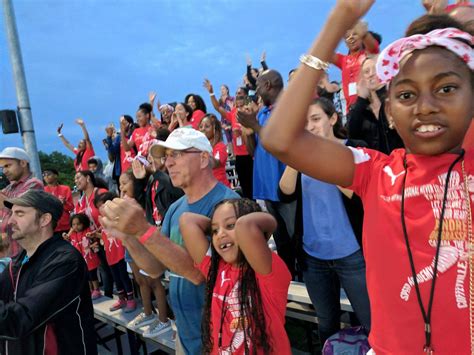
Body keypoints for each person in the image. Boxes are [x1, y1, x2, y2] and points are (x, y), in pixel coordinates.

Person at [260, 1, 473, 353]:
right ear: (390, 112)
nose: (425, 106)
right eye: (406, 94)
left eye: (446, 88)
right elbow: (280, 138)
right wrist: (339, 20)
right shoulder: (376, 171)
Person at [99, 128, 239, 354]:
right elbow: (154, 269)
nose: (168, 163)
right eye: (166, 156)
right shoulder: (175, 208)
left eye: (177, 154)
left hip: (223, 337)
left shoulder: (229, 205)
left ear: (204, 158)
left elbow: (200, 274)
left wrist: (143, 229)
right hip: (185, 334)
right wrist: (128, 236)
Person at [278, 97, 370, 345]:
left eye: (316, 119)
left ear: (333, 118)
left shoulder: (355, 149)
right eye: (304, 122)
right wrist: (298, 157)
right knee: (327, 321)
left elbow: (360, 194)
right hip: (314, 257)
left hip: (353, 254)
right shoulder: (301, 158)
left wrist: (324, 157)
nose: (310, 126)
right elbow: (284, 193)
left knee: (369, 319)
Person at [179, 198, 291, 354]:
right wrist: (221, 227)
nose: (220, 235)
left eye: (231, 225)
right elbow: (187, 221)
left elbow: (246, 225)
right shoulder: (217, 270)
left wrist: (270, 224)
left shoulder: (266, 271)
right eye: (215, 231)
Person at [0, 190, 96, 354]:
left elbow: (20, 320)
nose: (10, 221)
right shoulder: (17, 262)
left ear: (44, 219)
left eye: (20, 213)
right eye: (11, 214)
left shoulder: (65, 261)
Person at [237, 69, 297, 277]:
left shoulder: (289, 107)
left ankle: (308, 284)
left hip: (287, 189)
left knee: (296, 237)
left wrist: (254, 124)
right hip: (267, 189)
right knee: (281, 241)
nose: (257, 90)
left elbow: (280, 143)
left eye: (259, 85)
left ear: (269, 85)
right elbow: (254, 152)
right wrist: (249, 132)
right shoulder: (261, 113)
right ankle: (291, 280)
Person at [204, 79, 254, 199]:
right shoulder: (232, 113)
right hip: (239, 157)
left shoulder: (250, 112)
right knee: (245, 188)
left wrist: (242, 131)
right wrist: (211, 93)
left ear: (246, 98)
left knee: (253, 187)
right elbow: (217, 108)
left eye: (240, 94)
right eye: (236, 94)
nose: (237, 96)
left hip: (251, 156)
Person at [348, 55, 404, 154]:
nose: (371, 74)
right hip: (377, 165)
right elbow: (351, 134)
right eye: (366, 71)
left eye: (375, 69)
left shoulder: (396, 98)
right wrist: (361, 99)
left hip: (402, 160)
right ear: (362, 79)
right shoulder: (360, 108)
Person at [94, 192, 136, 312]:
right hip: (110, 255)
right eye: (98, 207)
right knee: (116, 278)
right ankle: (121, 298)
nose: (101, 209)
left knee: (124, 277)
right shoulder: (102, 222)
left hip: (121, 254)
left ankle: (131, 299)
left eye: (103, 205)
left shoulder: (118, 218)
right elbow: (105, 237)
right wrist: (95, 235)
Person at [0, 147, 43, 258]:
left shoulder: (34, 184)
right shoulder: (8, 189)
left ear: (23, 163)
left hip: (26, 254)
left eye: (8, 166)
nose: (4, 171)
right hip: (10, 254)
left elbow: (18, 208)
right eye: (2, 168)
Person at [331, 19, 380, 111]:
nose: (351, 38)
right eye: (347, 36)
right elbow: (327, 53)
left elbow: (374, 46)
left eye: (355, 34)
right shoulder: (342, 60)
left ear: (361, 37)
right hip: (352, 110)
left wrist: (364, 33)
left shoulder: (369, 54)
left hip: (370, 107)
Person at [65, 213, 102, 300]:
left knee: (92, 275)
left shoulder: (88, 231)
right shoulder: (73, 234)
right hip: (80, 259)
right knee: (86, 275)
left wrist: (93, 244)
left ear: (84, 223)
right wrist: (65, 235)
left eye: (78, 224)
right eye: (73, 224)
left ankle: (96, 289)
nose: (76, 226)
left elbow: (95, 241)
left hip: (90, 258)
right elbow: (67, 238)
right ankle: (90, 289)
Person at [199, 113, 231, 187]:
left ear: (214, 129)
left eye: (207, 126)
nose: (203, 129)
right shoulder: (198, 147)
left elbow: (215, 163)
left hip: (220, 189)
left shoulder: (220, 146)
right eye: (200, 126)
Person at [43, 168, 74, 235]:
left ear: (55, 176)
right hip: (51, 227)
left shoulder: (65, 188)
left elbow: (71, 208)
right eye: (44, 175)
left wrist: (65, 203)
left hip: (65, 225)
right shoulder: (42, 191)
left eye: (48, 174)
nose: (46, 176)